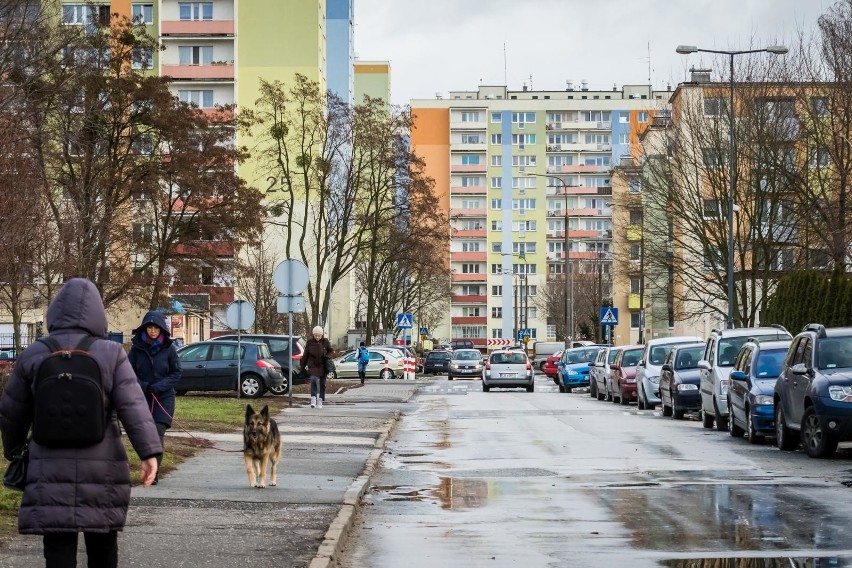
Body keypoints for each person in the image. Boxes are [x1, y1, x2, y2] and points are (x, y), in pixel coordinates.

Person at [0, 278, 161, 568]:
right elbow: (134, 406)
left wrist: (12, 450)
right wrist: (149, 453)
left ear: (55, 312)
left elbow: (12, 411)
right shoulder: (111, 353)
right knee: (103, 546)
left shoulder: (34, 353)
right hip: (104, 470)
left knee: (58, 547)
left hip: (48, 468)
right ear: (97, 314)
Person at [128, 310, 182, 484]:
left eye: (156, 328)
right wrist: (144, 386)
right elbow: (128, 372)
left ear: (161, 330)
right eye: (150, 327)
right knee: (145, 433)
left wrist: (159, 386)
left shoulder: (169, 349)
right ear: (144, 329)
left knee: (157, 432)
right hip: (142, 396)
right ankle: (149, 466)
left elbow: (177, 373)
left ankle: (154, 472)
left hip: (164, 398)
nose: (153, 331)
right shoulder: (136, 349)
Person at [301, 325, 333, 408]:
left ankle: (320, 400)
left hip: (323, 365)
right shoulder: (310, 342)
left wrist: (328, 356)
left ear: (322, 335)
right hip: (313, 365)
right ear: (313, 335)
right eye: (316, 335)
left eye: (319, 335)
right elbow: (305, 355)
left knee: (323, 384)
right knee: (313, 380)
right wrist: (302, 366)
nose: (317, 337)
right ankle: (313, 399)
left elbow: (330, 351)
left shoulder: (325, 341)